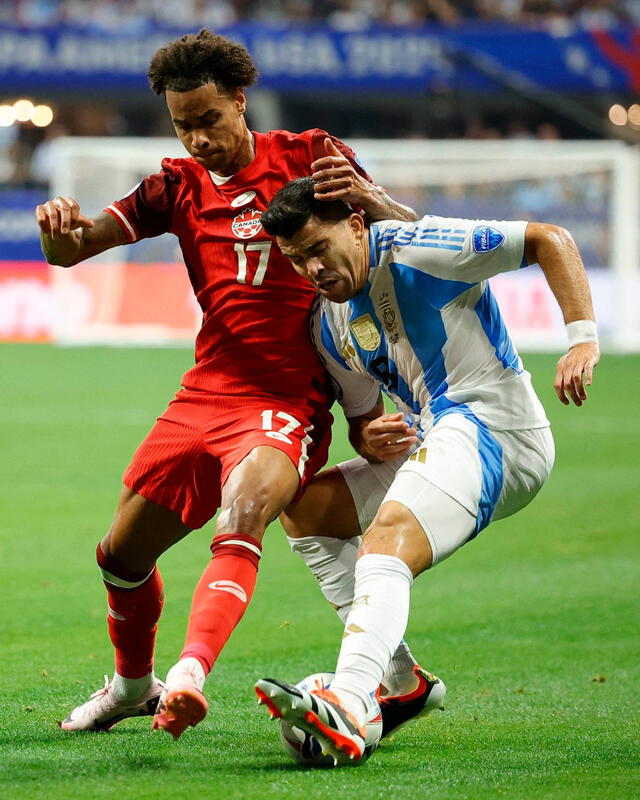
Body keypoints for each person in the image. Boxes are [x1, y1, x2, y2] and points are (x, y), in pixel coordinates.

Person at [34, 29, 425, 741]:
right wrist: (61, 242)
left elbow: (396, 242)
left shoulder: (309, 156)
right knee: (119, 556)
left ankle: (189, 675)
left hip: (288, 397)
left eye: (210, 120)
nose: (198, 139)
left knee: (243, 514)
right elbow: (78, 247)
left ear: (241, 100)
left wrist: (374, 200)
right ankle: (132, 686)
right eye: (184, 125)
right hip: (206, 391)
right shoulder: (175, 186)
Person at [255, 176, 600, 764]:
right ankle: (401, 684)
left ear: (356, 225)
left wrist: (582, 340)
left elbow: (551, 237)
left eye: (318, 248)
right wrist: (371, 435)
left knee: (384, 542)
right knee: (306, 509)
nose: (311, 268)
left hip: (496, 428)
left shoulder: (418, 246)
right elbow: (363, 423)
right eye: (296, 260)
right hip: (438, 435)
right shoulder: (329, 325)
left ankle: (347, 698)